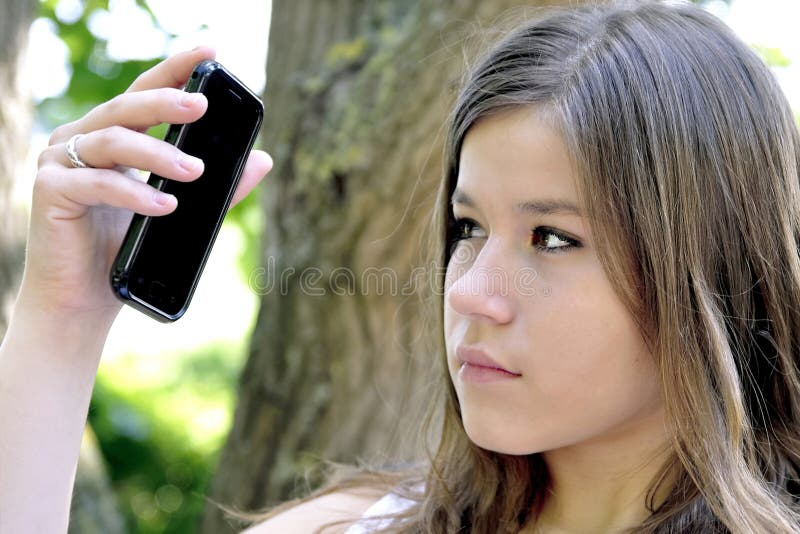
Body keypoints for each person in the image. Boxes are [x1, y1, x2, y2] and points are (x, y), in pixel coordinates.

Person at [2, 0, 800, 532]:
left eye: (553, 238)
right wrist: (59, 328)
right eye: (467, 226)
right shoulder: (353, 525)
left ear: (711, 265)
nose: (473, 291)